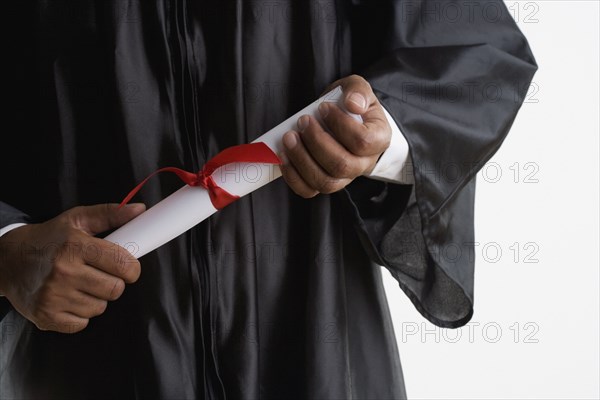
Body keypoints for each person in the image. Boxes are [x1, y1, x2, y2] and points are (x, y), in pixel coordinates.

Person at [0, 1, 536, 398]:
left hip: (313, 341)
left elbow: (474, 51)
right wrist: (8, 250)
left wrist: (383, 134)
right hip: (86, 351)